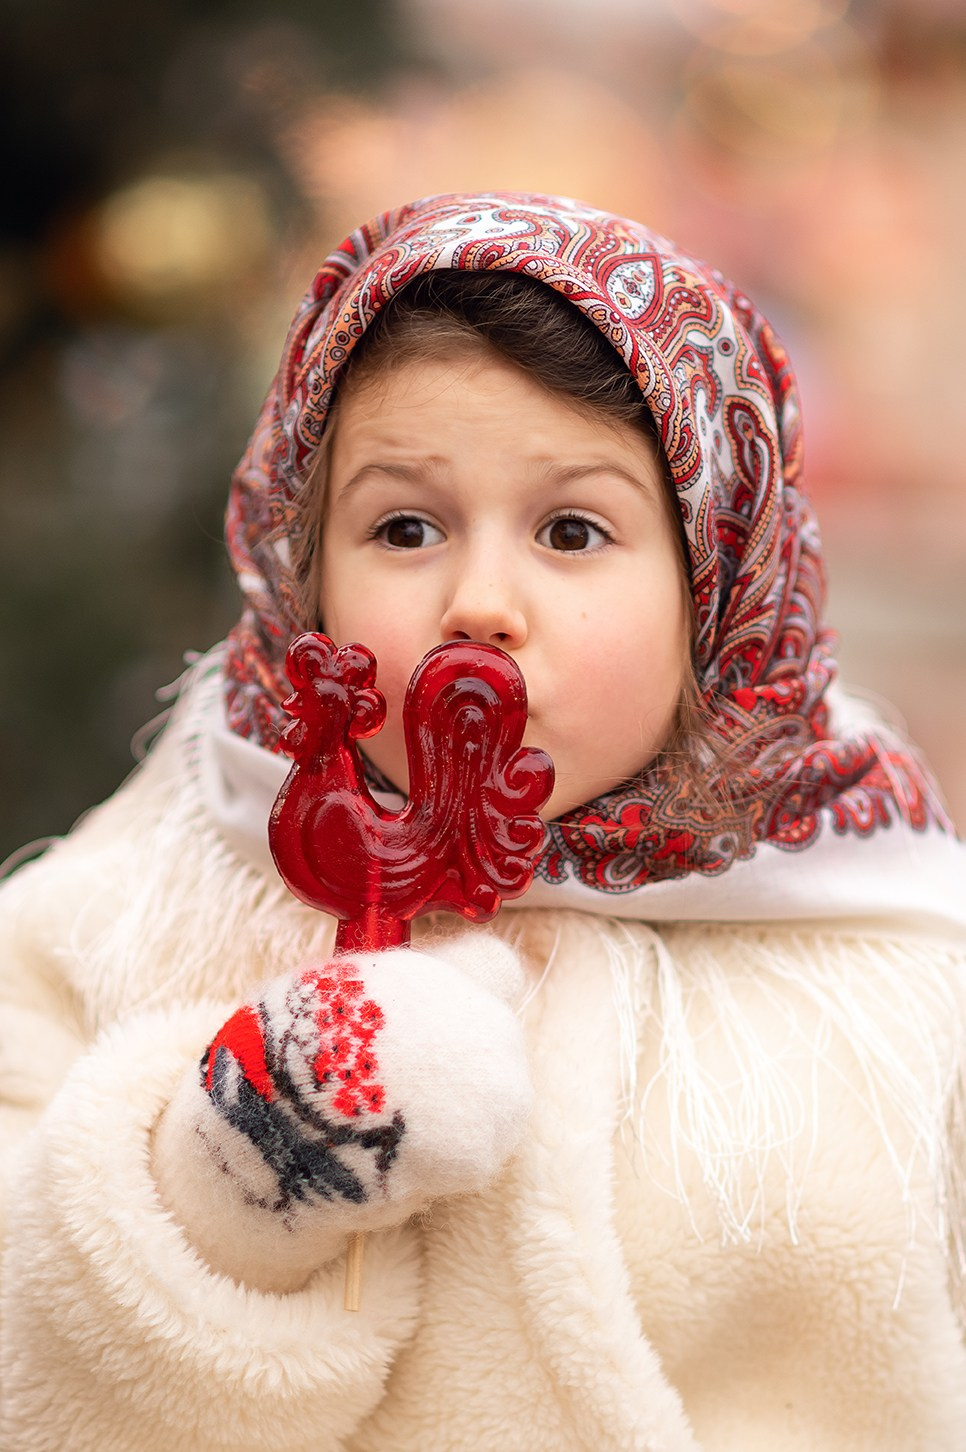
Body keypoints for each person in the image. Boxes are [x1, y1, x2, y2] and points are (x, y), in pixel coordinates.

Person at [2, 191, 965, 1452]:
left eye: (573, 531)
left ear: (718, 586)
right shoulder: (139, 898)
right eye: (404, 528)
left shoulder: (895, 974)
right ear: (304, 571)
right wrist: (241, 1169)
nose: (481, 602)